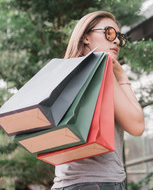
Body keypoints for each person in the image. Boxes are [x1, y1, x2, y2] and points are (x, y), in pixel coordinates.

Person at [52, 11, 145, 190]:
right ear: (86, 37)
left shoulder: (62, 77)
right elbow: (137, 125)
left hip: (62, 184)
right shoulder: (101, 70)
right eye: (109, 33)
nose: (117, 41)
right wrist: (121, 75)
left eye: (120, 37)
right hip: (100, 182)